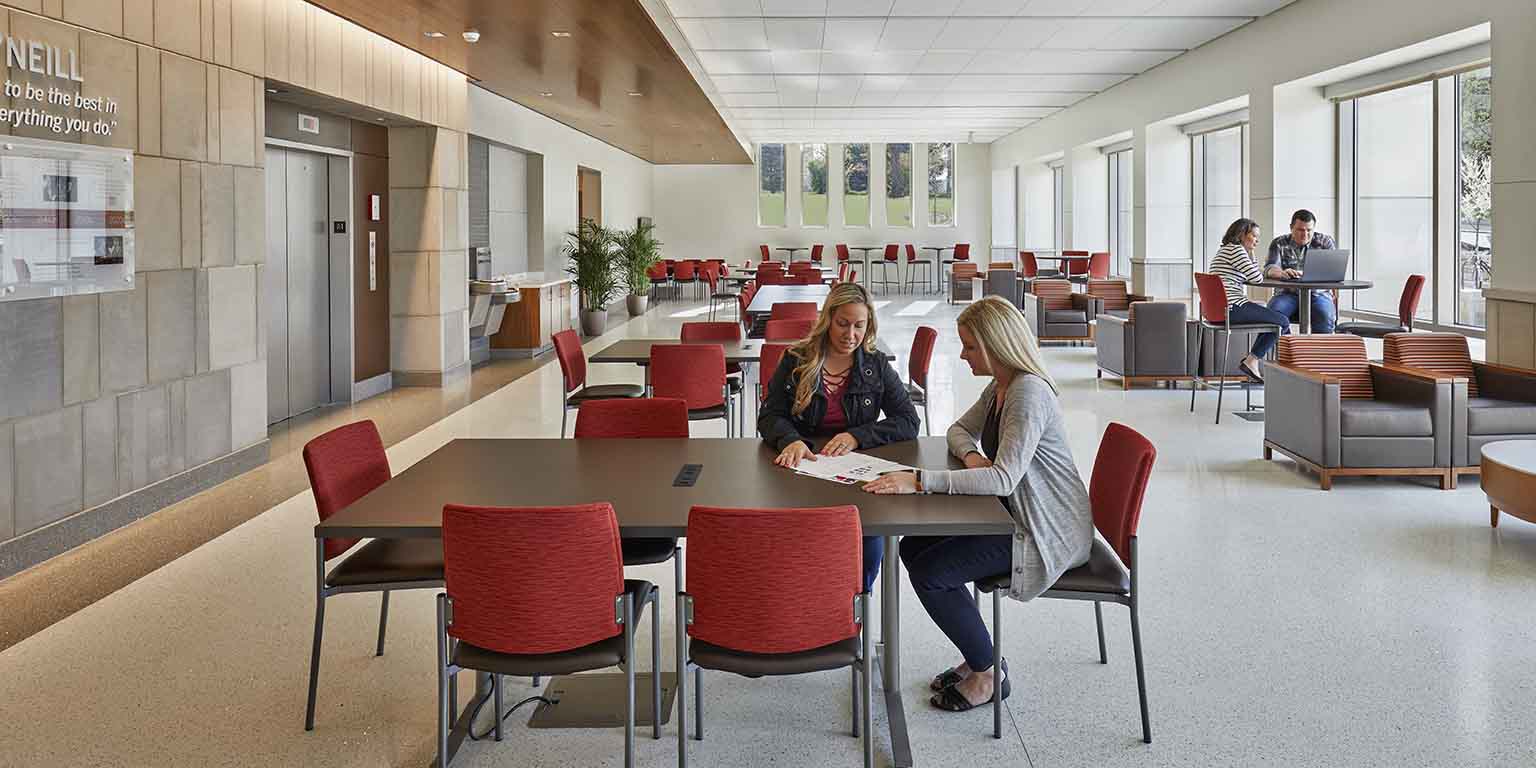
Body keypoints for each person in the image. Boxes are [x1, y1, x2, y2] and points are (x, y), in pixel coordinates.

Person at [863, 296, 1092, 713]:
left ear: (996, 345)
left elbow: (1003, 478)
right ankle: (978, 653)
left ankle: (988, 673)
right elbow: (957, 430)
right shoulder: (1001, 386)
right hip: (1011, 513)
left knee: (932, 574)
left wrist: (920, 481)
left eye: (970, 346)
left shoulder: (1027, 393)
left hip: (1042, 531)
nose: (963, 355)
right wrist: (971, 456)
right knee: (914, 548)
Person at [757, 282, 920, 592]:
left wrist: (858, 436)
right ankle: (815, 600)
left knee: (867, 548)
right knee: (802, 550)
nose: (851, 334)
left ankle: (854, 602)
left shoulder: (875, 364)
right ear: (828, 319)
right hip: (803, 474)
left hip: (856, 477)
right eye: (843, 324)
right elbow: (769, 416)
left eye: (859, 326)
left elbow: (909, 421)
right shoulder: (796, 359)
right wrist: (790, 439)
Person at [1211, 218, 1291, 382]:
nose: (1257, 240)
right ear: (1241, 235)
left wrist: (1250, 252)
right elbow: (1257, 278)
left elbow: (1252, 275)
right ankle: (1261, 363)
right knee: (1282, 321)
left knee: (1274, 319)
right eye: (1254, 236)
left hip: (1219, 310)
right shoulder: (1236, 250)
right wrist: (1251, 253)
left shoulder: (1226, 249)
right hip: (1233, 307)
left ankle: (1259, 363)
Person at [1265, 209, 1338, 333]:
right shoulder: (1279, 243)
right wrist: (1281, 273)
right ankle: (1287, 344)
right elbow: (1270, 268)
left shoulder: (1325, 242)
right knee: (1274, 314)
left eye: (1309, 230)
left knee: (1325, 316)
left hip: (1319, 294)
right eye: (1300, 230)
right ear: (1291, 228)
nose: (1305, 234)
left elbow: (1334, 270)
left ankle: (1317, 346)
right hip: (1287, 294)